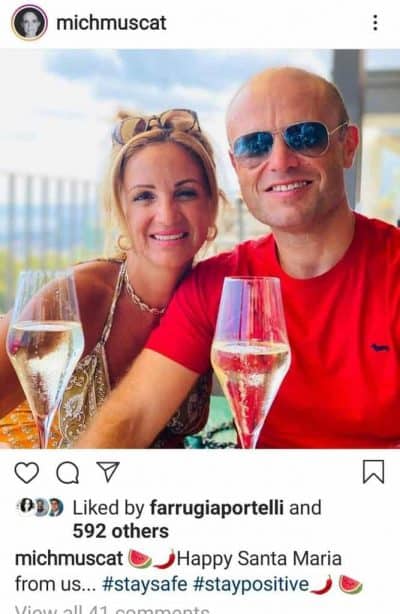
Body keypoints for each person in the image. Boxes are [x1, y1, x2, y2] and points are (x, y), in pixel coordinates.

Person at [76, 66, 400, 449]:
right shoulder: (218, 286)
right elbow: (133, 417)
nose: (280, 161)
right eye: (254, 145)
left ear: (348, 146)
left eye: (305, 136)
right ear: (236, 166)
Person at [0, 109, 222, 448]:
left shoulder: (211, 295)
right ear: (121, 209)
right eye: (144, 196)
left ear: (212, 205)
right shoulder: (81, 296)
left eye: (186, 193)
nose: (166, 215)